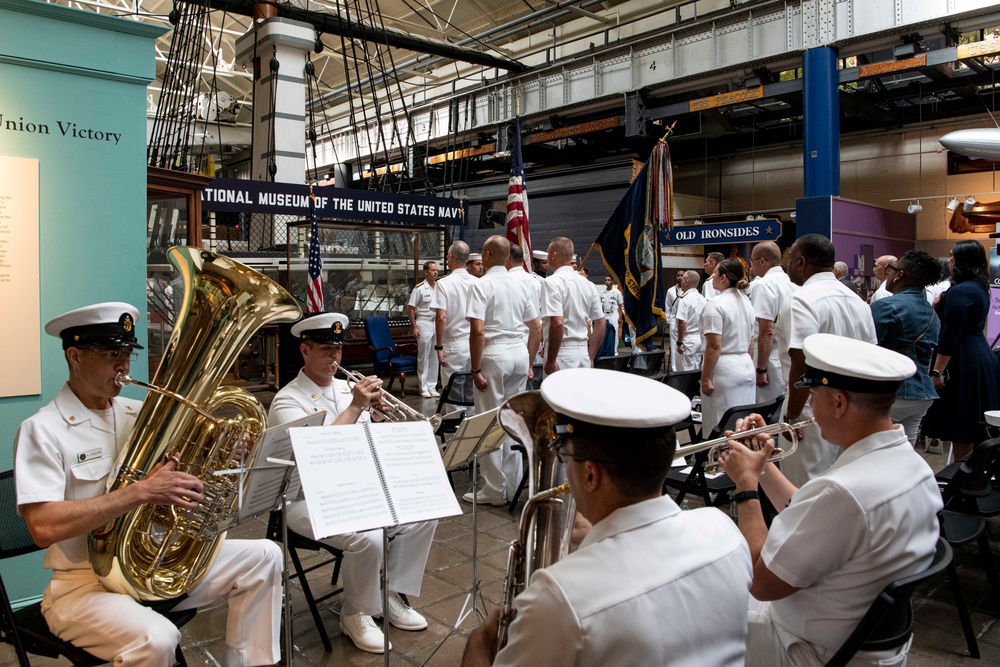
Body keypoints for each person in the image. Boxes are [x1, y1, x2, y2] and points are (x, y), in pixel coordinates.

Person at [14, 302, 282, 667]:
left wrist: (222, 451)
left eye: (126, 354)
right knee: (159, 638)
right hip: (82, 585)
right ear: (74, 356)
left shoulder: (138, 412)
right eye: (111, 354)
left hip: (147, 570)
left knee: (266, 555)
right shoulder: (43, 429)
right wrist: (138, 491)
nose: (123, 366)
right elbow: (42, 527)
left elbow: (177, 481)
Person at [460, 369, 753, 667]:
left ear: (590, 474)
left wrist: (481, 641)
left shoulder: (560, 598)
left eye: (563, 453)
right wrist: (598, 539)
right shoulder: (725, 531)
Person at [720, 333, 942, 666]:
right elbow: (812, 514)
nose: (810, 405)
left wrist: (746, 486)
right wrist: (761, 465)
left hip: (810, 650)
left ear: (839, 403)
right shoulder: (914, 468)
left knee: (691, 610)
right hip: (861, 640)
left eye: (813, 395)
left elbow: (760, 581)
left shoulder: (844, 491)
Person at [268, 313, 435, 654]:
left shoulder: (347, 387)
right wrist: (357, 406)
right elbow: (318, 457)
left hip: (357, 488)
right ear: (305, 350)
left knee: (422, 515)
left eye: (338, 350)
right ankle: (355, 612)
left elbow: (369, 445)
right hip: (304, 498)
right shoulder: (288, 400)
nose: (335, 358)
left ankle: (388, 593)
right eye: (326, 350)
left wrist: (376, 418)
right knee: (368, 535)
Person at [774, 233, 876, 487]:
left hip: (811, 406)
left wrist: (792, 416)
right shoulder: (859, 302)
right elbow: (870, 357)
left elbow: (802, 362)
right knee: (844, 483)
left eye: (790, 259)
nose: (787, 265)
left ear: (802, 262)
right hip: (854, 407)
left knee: (804, 487)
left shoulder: (800, 300)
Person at [465, 236, 542, 505]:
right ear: (508, 257)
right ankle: (512, 484)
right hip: (519, 352)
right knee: (512, 420)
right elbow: (537, 327)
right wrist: (530, 360)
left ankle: (494, 489)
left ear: (486, 254)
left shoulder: (481, 285)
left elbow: (477, 330)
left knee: (488, 421)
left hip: (494, 353)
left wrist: (475, 369)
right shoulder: (522, 283)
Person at [923, 240, 1000, 461]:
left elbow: (951, 334)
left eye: (951, 255)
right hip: (977, 353)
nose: (949, 260)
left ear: (961, 260)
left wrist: (938, 371)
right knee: (972, 422)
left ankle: (964, 476)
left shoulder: (961, 291)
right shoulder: (979, 287)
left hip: (963, 359)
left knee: (963, 422)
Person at [870, 250, 940, 447]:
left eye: (890, 270)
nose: (887, 274)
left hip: (892, 391)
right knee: (905, 450)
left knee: (876, 453)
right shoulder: (932, 313)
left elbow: (868, 348)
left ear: (899, 274)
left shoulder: (886, 306)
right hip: (922, 394)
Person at [701, 259, 756, 432]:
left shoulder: (716, 304)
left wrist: (706, 379)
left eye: (715, 273)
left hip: (724, 368)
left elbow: (714, 346)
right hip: (745, 364)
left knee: (720, 425)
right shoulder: (746, 301)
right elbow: (751, 340)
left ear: (723, 277)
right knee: (743, 425)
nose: (712, 277)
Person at [540, 237, 604, 374]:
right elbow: (600, 323)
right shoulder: (588, 284)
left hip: (561, 353)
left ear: (554, 255)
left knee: (556, 395)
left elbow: (557, 323)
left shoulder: (551, 282)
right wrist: (591, 356)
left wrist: (551, 360)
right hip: (583, 353)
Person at [432, 241, 478, 409]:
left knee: (453, 395)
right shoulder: (478, 282)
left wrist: (439, 346)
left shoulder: (443, 283)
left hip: (454, 343)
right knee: (472, 392)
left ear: (450, 257)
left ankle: (456, 431)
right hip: (476, 341)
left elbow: (441, 317)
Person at [751, 242, 796, 404]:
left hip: (768, 355)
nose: (752, 267)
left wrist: (761, 368)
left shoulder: (764, 284)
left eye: (752, 261)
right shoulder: (792, 282)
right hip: (789, 353)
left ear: (762, 261)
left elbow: (766, 331)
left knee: (764, 408)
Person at [406, 261, 440, 398]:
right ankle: (423, 386)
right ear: (425, 272)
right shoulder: (419, 289)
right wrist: (414, 327)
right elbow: (410, 309)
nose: (436, 272)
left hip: (436, 323)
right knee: (424, 356)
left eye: (436, 270)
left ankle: (432, 386)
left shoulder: (439, 287)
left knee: (435, 356)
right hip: (424, 323)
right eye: (432, 270)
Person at [670, 270, 707, 373]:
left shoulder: (684, 299)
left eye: (682, 280)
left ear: (686, 281)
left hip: (687, 340)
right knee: (696, 370)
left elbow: (682, 323)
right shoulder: (702, 299)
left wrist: (679, 342)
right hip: (699, 339)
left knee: (683, 372)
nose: (680, 282)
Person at [597, 275, 623, 358]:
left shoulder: (616, 292)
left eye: (609, 280)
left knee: (614, 332)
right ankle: (605, 349)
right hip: (605, 313)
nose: (607, 281)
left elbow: (620, 305)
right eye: (606, 280)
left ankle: (614, 351)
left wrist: (620, 317)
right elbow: (600, 305)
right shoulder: (602, 292)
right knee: (604, 332)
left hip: (614, 314)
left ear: (612, 281)